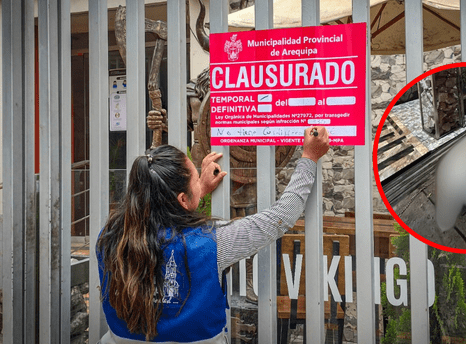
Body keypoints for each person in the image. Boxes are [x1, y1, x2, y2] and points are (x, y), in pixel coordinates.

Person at [96, 127, 330, 343]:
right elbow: (281, 216)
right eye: (195, 178)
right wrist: (309, 158)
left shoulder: (110, 239)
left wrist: (199, 192)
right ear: (182, 199)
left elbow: (163, 229)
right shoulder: (212, 244)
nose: (200, 179)